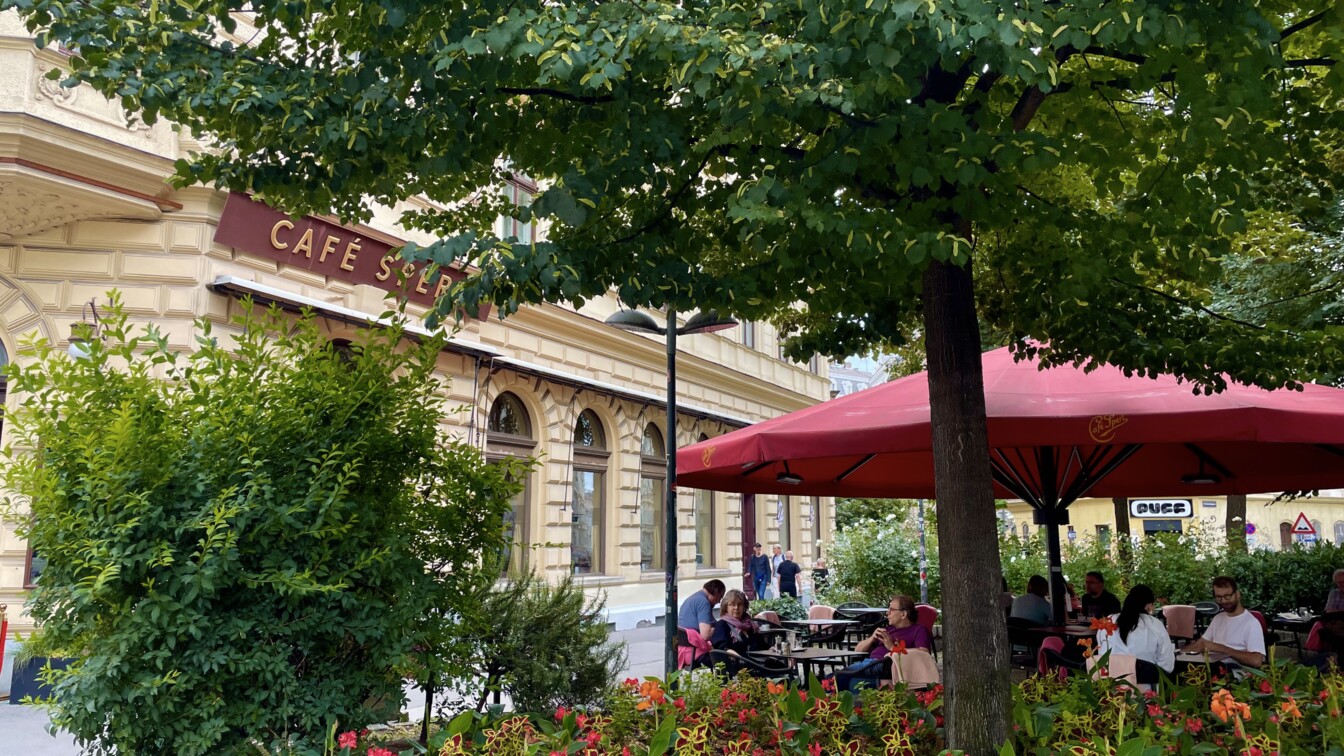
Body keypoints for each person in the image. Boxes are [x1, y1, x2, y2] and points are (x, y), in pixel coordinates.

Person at [831, 594, 932, 692]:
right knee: (850, 682)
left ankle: (836, 680)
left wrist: (892, 647)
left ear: (903, 614)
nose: (887, 613)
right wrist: (872, 638)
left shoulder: (918, 630)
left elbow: (923, 653)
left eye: (891, 610)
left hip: (886, 666)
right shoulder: (887, 630)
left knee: (837, 678)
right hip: (870, 664)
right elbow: (858, 650)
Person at [1182, 576, 1265, 668]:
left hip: (1237, 675)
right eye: (1219, 597)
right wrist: (1177, 652)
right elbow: (1201, 644)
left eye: (1227, 596)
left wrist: (1221, 649)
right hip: (1213, 669)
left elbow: (1256, 660)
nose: (1224, 601)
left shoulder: (1251, 623)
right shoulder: (1218, 618)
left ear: (1237, 594)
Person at [1095, 584, 1175, 673]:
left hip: (1109, 684)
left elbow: (1101, 655)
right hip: (1145, 685)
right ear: (1148, 605)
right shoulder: (1155, 624)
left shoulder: (1108, 621)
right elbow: (1167, 665)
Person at [709, 589, 788, 677]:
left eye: (739, 604)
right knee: (778, 673)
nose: (736, 608)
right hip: (738, 667)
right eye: (732, 604)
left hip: (757, 662)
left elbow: (761, 644)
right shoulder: (722, 624)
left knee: (782, 667)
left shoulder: (749, 624)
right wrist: (739, 657)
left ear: (744, 607)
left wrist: (771, 648)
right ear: (726, 607)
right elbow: (721, 648)